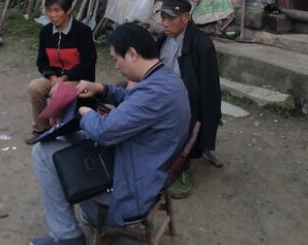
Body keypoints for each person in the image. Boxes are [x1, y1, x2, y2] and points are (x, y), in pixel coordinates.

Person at [29, 23, 190, 245]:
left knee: (43, 152)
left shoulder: (155, 91)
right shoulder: (164, 78)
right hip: (139, 159)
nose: (116, 66)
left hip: (132, 181)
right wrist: (102, 90)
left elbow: (103, 132)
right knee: (63, 141)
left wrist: (85, 113)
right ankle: (88, 215)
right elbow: (132, 99)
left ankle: (67, 236)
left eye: (116, 59)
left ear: (132, 54)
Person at [156, 0, 223, 199]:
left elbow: (209, 89)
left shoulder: (202, 45)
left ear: (185, 18)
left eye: (171, 19)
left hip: (185, 100)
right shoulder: (163, 38)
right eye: (163, 18)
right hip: (161, 92)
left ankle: (183, 166)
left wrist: (209, 120)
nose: (165, 24)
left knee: (182, 117)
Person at [25, 0, 97, 145]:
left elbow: (88, 63)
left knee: (58, 90)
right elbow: (41, 61)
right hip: (55, 77)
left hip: (79, 80)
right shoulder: (45, 32)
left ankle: (60, 128)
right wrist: (51, 75)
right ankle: (41, 130)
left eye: (57, 10)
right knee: (34, 87)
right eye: (49, 11)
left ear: (68, 10)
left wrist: (65, 77)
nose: (52, 15)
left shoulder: (82, 31)